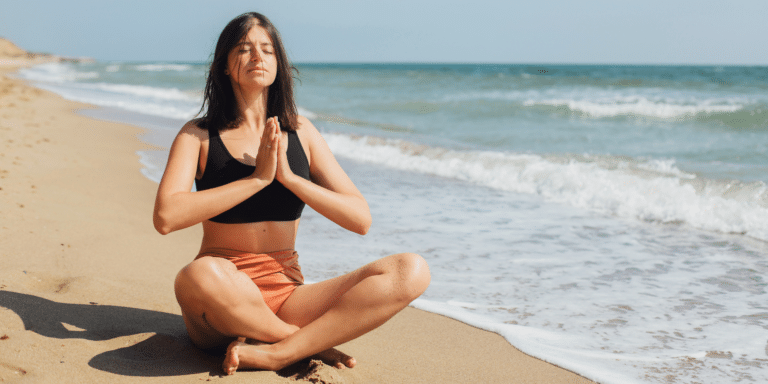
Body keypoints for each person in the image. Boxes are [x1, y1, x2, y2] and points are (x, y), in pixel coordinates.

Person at [152, 12, 430, 375]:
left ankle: (277, 352)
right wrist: (256, 180)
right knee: (196, 275)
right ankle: (303, 342)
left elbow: (360, 219)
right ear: (223, 65)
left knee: (411, 270)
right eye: (244, 49)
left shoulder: (302, 133)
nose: (257, 57)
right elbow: (166, 216)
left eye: (267, 50)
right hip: (223, 298)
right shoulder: (199, 135)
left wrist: (291, 179)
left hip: (288, 294)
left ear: (278, 64)